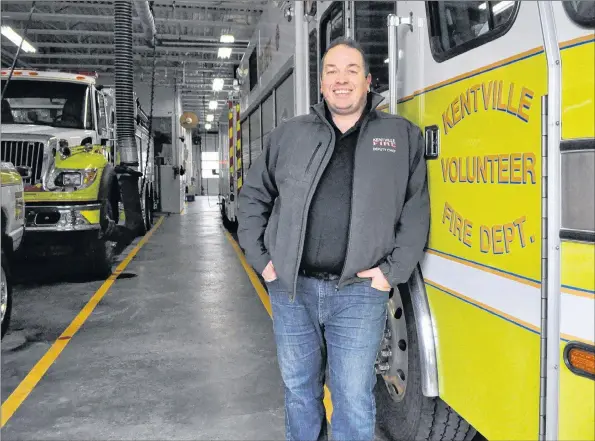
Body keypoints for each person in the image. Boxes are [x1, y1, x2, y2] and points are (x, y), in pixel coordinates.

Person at [237, 37, 430, 441]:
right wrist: (262, 261)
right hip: (292, 290)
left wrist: (389, 273)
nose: (341, 80)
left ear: (367, 81)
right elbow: (253, 196)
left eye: (351, 71)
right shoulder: (288, 136)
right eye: (331, 71)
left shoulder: (400, 137)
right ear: (322, 84)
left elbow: (415, 212)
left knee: (354, 397)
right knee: (299, 393)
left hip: (360, 292)